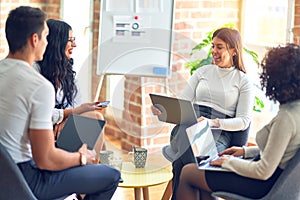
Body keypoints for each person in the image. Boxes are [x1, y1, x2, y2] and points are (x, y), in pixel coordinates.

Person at [0, 6, 120, 200]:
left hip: (5, 174)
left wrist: (72, 113)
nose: (48, 43)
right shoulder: (37, 85)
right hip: (25, 178)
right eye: (46, 37)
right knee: (111, 176)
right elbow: (46, 159)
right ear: (34, 39)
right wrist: (82, 157)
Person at [177, 43, 300, 200]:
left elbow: (263, 171)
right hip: (271, 178)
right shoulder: (295, 110)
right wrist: (245, 151)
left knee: (188, 173)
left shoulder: (287, 118)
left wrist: (228, 162)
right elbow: (283, 151)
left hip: (261, 185)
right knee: (203, 175)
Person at [152, 27, 254, 199]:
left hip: (219, 132)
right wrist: (164, 110)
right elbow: (183, 103)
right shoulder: (202, 72)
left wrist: (213, 122)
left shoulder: (243, 81)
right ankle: (206, 190)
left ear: (233, 50)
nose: (214, 51)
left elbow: (244, 121)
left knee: (182, 163)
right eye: (213, 46)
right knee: (188, 137)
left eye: (219, 47)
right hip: (190, 125)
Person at [35, 19, 107, 156]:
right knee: (96, 122)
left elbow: (76, 103)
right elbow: (40, 112)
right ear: (57, 42)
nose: (74, 44)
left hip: (61, 126)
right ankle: (95, 167)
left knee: (96, 118)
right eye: (70, 40)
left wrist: (67, 118)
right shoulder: (36, 71)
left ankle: (96, 167)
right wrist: (65, 115)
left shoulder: (67, 71)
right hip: (44, 130)